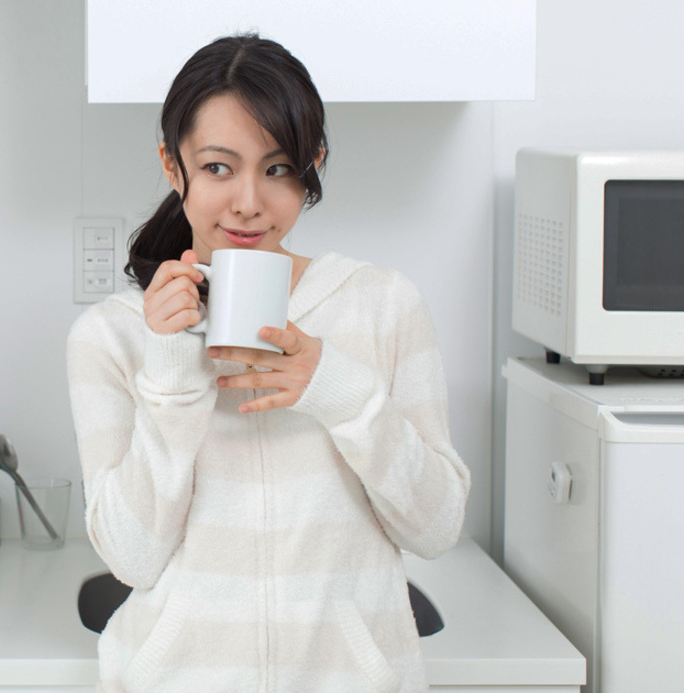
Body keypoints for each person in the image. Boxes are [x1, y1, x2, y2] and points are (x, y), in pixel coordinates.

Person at [65, 34, 470, 692]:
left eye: (278, 168)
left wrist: (341, 391)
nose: (249, 200)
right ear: (175, 168)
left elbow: (438, 525)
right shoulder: (110, 335)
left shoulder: (383, 305)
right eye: (220, 167)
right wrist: (170, 374)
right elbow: (133, 557)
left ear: (313, 164)